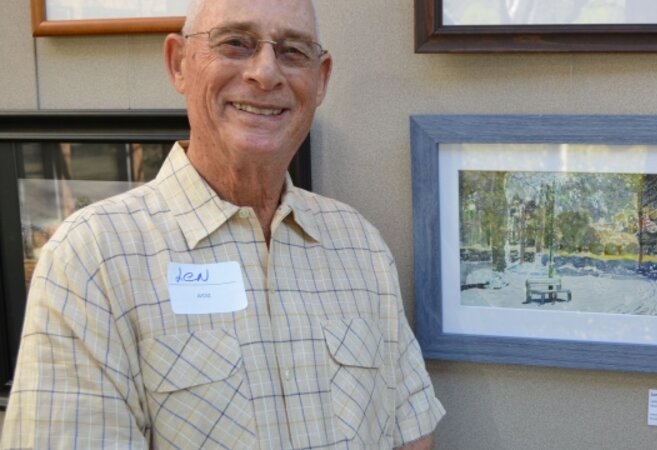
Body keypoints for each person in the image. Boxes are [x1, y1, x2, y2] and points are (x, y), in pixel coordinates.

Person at [1, 0, 444, 448]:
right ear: (179, 64)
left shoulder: (359, 247)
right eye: (235, 43)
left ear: (321, 78)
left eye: (292, 51)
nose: (266, 73)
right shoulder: (93, 258)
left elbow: (411, 435)